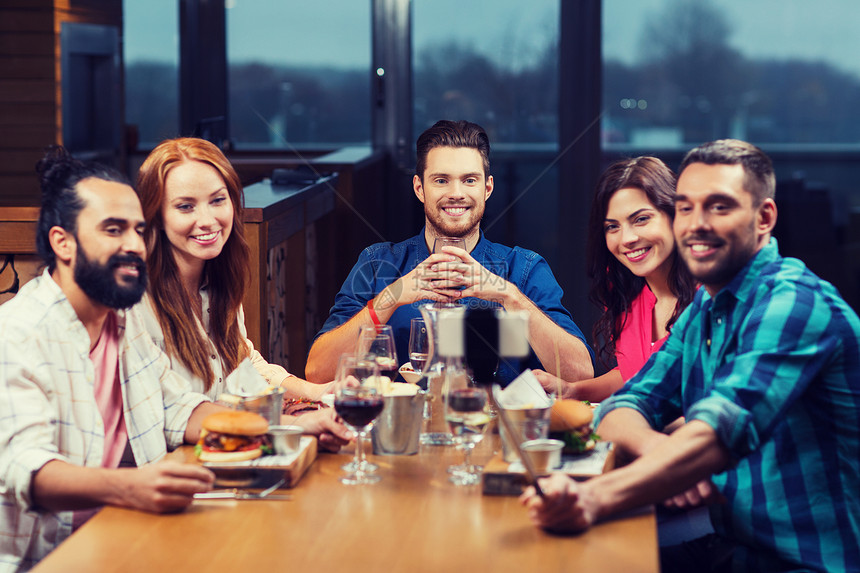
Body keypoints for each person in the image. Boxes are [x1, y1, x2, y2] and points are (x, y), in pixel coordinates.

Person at [520, 139, 860, 572]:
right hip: (734, 542)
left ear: (764, 218)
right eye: (685, 208)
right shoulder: (708, 306)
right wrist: (651, 455)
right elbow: (627, 403)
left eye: (719, 207)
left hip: (803, 559)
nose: (696, 225)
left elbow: (716, 435)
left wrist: (593, 497)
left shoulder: (793, 303)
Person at [0, 147, 220, 571]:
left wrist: (282, 429)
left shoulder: (122, 317)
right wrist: (131, 487)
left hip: (122, 537)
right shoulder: (17, 333)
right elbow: (29, 470)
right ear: (62, 243)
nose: (135, 245)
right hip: (40, 560)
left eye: (138, 230)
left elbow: (176, 407)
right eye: (114, 230)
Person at [306, 120, 594, 384]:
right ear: (419, 188)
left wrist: (507, 294)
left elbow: (580, 374)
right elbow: (318, 372)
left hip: (494, 433)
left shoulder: (525, 268)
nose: (456, 193)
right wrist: (391, 297)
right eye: (441, 180)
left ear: (487, 188)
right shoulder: (376, 264)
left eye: (469, 180)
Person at [135, 137, 350, 450]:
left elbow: (244, 364)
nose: (207, 220)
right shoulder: (136, 300)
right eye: (185, 206)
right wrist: (296, 424)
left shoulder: (217, 283)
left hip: (216, 462)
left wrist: (318, 393)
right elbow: (175, 410)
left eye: (217, 200)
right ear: (155, 215)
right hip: (160, 472)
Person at [534, 157, 696, 402]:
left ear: (675, 216)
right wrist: (574, 390)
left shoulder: (713, 297)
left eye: (641, 219)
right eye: (613, 227)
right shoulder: (628, 296)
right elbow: (635, 372)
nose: (627, 238)